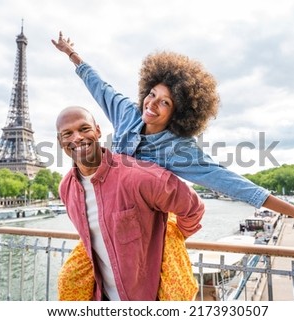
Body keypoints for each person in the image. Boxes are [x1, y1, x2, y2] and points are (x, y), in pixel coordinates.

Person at [52, 31, 294, 299]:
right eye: (152, 94)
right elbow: (99, 86)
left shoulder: (179, 148)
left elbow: (232, 183)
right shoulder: (127, 112)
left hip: (149, 223)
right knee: (72, 280)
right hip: (117, 214)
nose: (152, 104)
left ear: (178, 112)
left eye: (165, 102)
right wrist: (72, 54)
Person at [56, 106, 205, 301]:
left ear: (98, 131)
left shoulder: (139, 176)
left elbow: (193, 207)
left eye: (84, 129)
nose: (77, 138)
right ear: (60, 142)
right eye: (68, 133)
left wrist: (170, 237)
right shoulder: (66, 189)